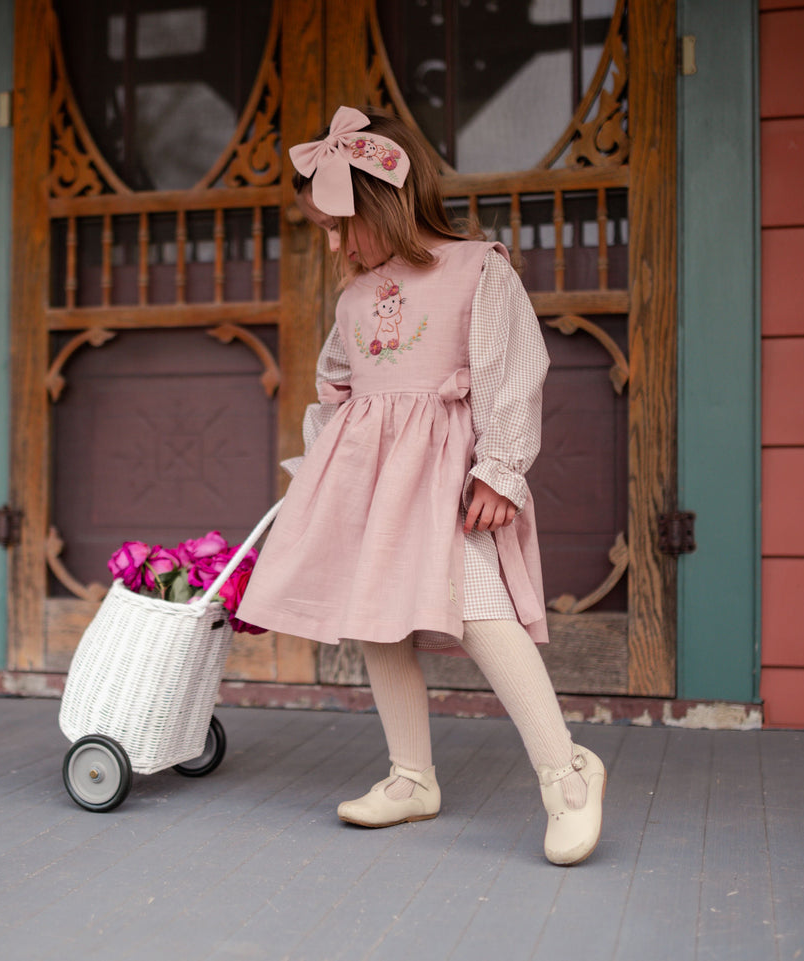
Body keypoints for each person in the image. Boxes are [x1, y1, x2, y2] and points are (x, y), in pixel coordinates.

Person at [235, 106, 605, 866]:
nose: (335, 244)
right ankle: (412, 776)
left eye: (342, 225)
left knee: (477, 607)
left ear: (384, 203)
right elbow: (336, 384)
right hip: (372, 481)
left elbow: (513, 371)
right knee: (379, 617)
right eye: (325, 230)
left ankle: (565, 771)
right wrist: (325, 472)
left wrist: (500, 467)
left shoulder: (476, 269)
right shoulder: (353, 298)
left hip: (446, 477)